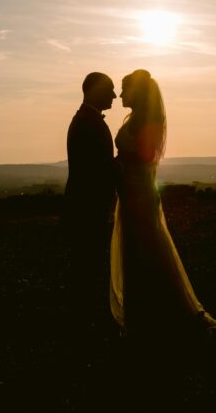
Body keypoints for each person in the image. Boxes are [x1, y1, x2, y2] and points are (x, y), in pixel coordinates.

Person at [109, 69, 216, 337]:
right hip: (131, 194)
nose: (121, 94)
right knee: (136, 252)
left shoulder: (147, 122)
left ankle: (157, 315)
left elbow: (145, 157)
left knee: (146, 250)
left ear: (137, 92)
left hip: (140, 196)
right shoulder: (135, 119)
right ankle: (145, 314)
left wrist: (120, 163)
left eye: (125, 88)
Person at [63, 72, 119, 329]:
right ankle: (84, 320)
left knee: (87, 262)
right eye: (109, 90)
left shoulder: (86, 120)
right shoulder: (88, 123)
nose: (114, 96)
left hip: (83, 205)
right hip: (87, 207)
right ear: (95, 90)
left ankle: (83, 316)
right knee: (87, 262)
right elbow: (98, 171)